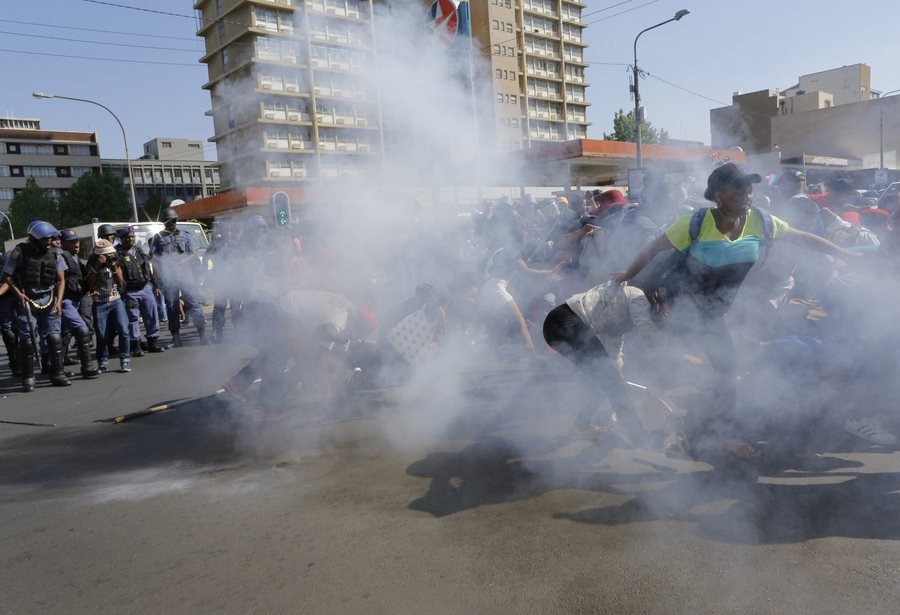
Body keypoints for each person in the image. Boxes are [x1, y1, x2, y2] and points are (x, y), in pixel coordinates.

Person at [616, 163, 860, 462]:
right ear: (718, 196)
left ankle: (718, 434)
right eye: (739, 190)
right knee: (665, 370)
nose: (748, 195)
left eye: (749, 189)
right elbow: (653, 249)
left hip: (713, 315)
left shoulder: (761, 221)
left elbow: (803, 238)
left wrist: (846, 255)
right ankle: (617, 419)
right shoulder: (695, 223)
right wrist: (627, 274)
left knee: (723, 372)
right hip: (674, 309)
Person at [543, 280, 669, 445]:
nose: (660, 312)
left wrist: (618, 374)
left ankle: (579, 428)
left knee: (603, 381)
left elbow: (614, 345)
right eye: (661, 309)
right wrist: (679, 352)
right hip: (566, 321)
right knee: (611, 384)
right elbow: (646, 329)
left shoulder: (622, 315)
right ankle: (641, 440)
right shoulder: (638, 296)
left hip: (554, 327)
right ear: (655, 300)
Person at [2, 220, 71, 391]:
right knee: (26, 341)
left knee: (55, 337)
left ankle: (57, 373)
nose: (48, 241)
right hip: (27, 300)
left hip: (49, 298)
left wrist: (59, 302)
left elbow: (61, 279)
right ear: (34, 238)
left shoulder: (55, 253)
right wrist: (18, 294)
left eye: (50, 238)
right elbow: (8, 276)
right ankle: (28, 376)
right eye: (45, 239)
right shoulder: (20, 252)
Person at [149, 206, 207, 347]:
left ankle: (203, 334)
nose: (172, 224)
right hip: (169, 278)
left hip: (186, 275)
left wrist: (180, 262)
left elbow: (193, 252)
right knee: (171, 306)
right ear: (164, 223)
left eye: (174, 221)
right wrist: (166, 263)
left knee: (194, 304)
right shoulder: (158, 238)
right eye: (169, 222)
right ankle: (176, 337)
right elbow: (152, 255)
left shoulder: (185, 235)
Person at [56, 228, 100, 380]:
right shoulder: (60, 257)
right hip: (66, 301)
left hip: (77, 299)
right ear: (63, 243)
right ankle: (86, 367)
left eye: (77, 241)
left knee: (64, 335)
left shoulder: (76, 258)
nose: (76, 244)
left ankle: (58, 368)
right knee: (81, 331)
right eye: (72, 242)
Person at [116, 225, 165, 354]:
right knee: (132, 319)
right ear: (121, 239)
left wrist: (155, 285)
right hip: (130, 291)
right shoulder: (117, 254)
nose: (130, 239)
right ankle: (135, 345)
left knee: (152, 315)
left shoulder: (139, 250)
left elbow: (147, 269)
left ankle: (152, 342)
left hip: (145, 288)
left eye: (132, 237)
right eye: (127, 237)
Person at [86, 239, 132, 373]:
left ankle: (125, 359)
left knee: (124, 330)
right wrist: (96, 267)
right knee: (101, 334)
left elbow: (121, 283)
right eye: (105, 255)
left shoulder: (115, 262)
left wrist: (114, 267)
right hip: (99, 302)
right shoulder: (92, 264)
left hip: (115, 300)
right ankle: (102, 361)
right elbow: (90, 284)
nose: (107, 257)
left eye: (109, 254)